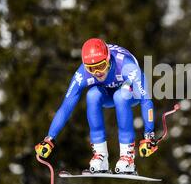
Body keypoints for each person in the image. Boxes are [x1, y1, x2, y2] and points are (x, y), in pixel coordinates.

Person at [34, 38, 156, 174]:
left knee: (120, 96)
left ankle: (127, 157)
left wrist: (149, 135)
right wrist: (49, 138)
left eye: (101, 66)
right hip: (107, 94)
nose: (98, 72)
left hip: (130, 94)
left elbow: (146, 100)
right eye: (92, 69)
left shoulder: (126, 66)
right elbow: (66, 106)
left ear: (108, 60)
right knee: (92, 95)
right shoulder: (82, 73)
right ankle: (100, 156)